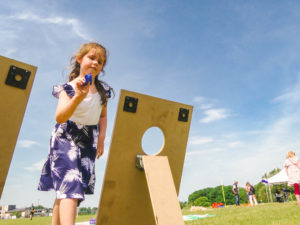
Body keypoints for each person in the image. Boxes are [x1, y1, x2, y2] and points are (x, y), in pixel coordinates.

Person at [38, 42, 113, 225]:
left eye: (100, 61)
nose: (96, 63)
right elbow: (60, 117)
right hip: (66, 137)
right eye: (92, 58)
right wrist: (78, 97)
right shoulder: (68, 88)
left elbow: (102, 116)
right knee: (71, 187)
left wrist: (101, 138)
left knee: (65, 191)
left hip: (88, 140)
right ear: (80, 59)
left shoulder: (102, 91)